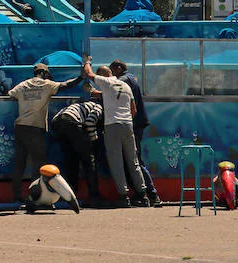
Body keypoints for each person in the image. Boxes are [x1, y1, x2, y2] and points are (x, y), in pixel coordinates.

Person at [81, 59, 149, 207]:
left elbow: (88, 73)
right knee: (133, 161)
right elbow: (133, 109)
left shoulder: (106, 82)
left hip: (112, 125)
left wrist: (86, 61)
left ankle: (124, 196)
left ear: (103, 76)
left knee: (116, 161)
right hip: (128, 125)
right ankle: (143, 195)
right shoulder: (125, 85)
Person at [7, 62, 79, 201]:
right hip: (35, 128)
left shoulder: (22, 85)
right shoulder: (47, 85)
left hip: (21, 127)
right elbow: (66, 85)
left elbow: (10, 94)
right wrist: (81, 77)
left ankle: (16, 196)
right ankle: (34, 197)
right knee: (39, 164)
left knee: (19, 163)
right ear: (45, 74)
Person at [109, 59, 161, 206]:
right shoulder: (131, 78)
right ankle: (142, 194)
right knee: (133, 160)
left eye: (112, 71)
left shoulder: (124, 80)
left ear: (119, 68)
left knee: (135, 160)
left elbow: (114, 88)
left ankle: (152, 194)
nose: (112, 75)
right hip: (136, 123)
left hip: (134, 124)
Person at [50, 94, 103, 206]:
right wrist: (94, 141)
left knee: (71, 160)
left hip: (57, 122)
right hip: (71, 122)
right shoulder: (98, 106)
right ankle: (94, 197)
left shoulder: (81, 105)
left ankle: (71, 196)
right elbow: (90, 122)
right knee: (88, 160)